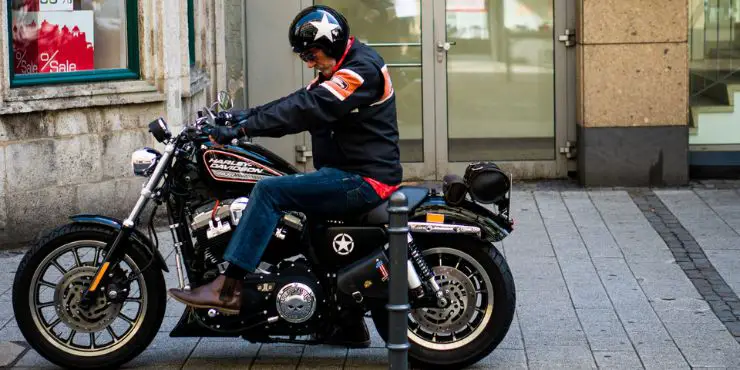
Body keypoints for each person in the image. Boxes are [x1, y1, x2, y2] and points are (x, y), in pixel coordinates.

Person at [168, 5, 402, 347]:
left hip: (363, 179)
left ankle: (228, 287)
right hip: (346, 172)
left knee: (269, 191)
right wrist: (238, 117)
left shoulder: (359, 71)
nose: (308, 61)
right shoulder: (340, 67)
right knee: (306, 226)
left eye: (311, 53)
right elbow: (296, 101)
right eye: (304, 55)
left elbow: (307, 109)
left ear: (331, 41)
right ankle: (346, 325)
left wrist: (245, 128)